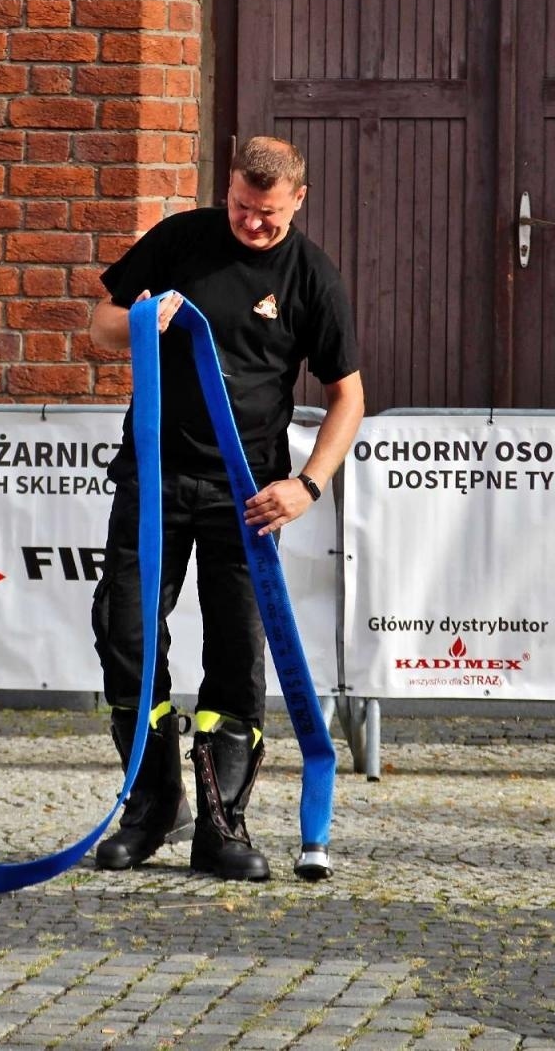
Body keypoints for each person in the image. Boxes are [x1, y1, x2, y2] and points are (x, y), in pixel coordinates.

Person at [88, 136, 365, 881]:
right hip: (154, 479)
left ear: (298, 200)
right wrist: (146, 319)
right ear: (228, 191)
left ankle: (223, 823)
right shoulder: (181, 239)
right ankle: (151, 809)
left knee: (237, 659)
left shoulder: (312, 277)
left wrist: (307, 486)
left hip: (249, 499)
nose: (253, 224)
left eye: (268, 215)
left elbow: (349, 397)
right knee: (126, 635)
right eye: (242, 208)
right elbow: (100, 325)